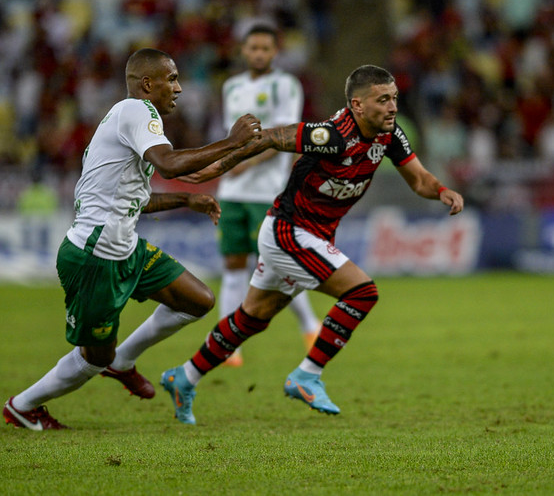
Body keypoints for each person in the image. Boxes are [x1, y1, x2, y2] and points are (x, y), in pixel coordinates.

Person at [161, 65, 464, 424]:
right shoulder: (334, 134)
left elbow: (419, 180)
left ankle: (184, 377)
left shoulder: (389, 135)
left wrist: (442, 191)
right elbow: (271, 137)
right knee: (362, 293)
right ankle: (307, 375)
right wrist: (215, 168)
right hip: (289, 231)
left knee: (252, 318)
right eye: (383, 100)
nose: (393, 107)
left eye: (394, 98)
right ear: (358, 104)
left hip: (311, 236)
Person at [2, 48, 262, 430]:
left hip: (125, 247)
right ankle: (23, 406)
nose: (178, 87)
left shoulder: (134, 119)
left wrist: (187, 198)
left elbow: (134, 200)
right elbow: (171, 164)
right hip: (94, 256)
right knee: (93, 357)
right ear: (147, 84)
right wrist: (233, 140)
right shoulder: (136, 111)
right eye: (171, 79)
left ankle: (123, 361)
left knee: (197, 301)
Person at [216, 25, 320, 368]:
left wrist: (244, 163)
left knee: (276, 263)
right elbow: (229, 137)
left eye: (265, 48)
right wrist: (224, 164)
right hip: (230, 191)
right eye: (253, 47)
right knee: (233, 266)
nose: (259, 53)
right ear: (244, 50)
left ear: (275, 51)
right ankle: (227, 343)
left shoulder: (285, 85)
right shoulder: (231, 86)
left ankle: (309, 326)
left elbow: (286, 136)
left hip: (266, 192)